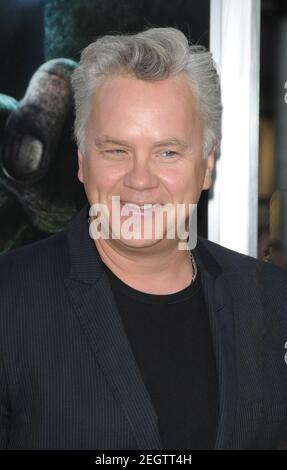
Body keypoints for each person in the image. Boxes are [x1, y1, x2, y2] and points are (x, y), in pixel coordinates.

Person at [0, 27, 287, 451]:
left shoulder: (270, 299)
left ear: (207, 166)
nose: (140, 180)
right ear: (82, 162)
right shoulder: (9, 299)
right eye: (117, 150)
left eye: (167, 152)